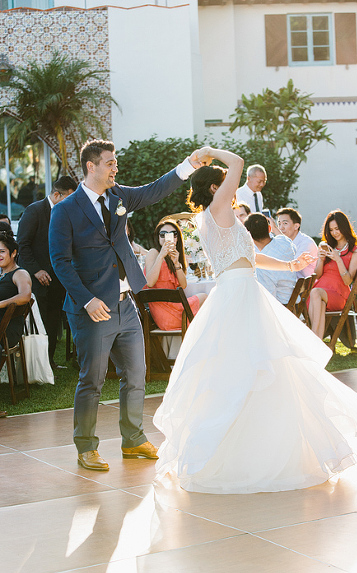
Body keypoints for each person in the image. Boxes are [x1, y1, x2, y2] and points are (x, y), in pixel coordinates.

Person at [154, 147, 357, 494]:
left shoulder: (212, 219)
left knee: (249, 370)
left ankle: (252, 451)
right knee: (252, 369)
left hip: (236, 292)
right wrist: (209, 152)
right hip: (240, 296)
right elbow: (238, 163)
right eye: (225, 184)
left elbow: (250, 256)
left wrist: (287, 265)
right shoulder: (219, 208)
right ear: (215, 189)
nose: (232, 187)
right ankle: (247, 458)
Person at [50, 139, 204, 472]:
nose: (115, 168)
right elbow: (59, 261)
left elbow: (156, 189)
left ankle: (133, 440)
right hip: (93, 309)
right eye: (110, 163)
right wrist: (87, 300)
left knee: (136, 375)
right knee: (92, 380)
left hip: (126, 304)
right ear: (91, 167)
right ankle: (86, 447)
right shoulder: (65, 210)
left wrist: (189, 164)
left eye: (115, 163)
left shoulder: (119, 196)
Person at [17, 174, 76, 363]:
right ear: (57, 195)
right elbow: (22, 245)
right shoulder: (34, 211)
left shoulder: (67, 213)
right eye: (69, 198)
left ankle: (49, 363)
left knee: (53, 322)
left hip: (58, 279)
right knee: (39, 324)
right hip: (37, 280)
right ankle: (37, 365)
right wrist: (37, 270)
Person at [142, 220, 207, 331]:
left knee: (205, 297)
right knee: (205, 297)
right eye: (163, 234)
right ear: (158, 237)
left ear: (177, 238)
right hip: (163, 313)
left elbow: (183, 284)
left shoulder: (175, 255)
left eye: (173, 234)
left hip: (176, 309)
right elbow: (150, 282)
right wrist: (161, 256)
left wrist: (176, 263)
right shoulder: (153, 253)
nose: (168, 237)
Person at [308, 210, 357, 339]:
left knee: (315, 293)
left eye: (337, 229)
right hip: (319, 294)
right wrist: (320, 260)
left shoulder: (355, 252)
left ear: (344, 227)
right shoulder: (326, 247)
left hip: (338, 294)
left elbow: (348, 281)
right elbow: (318, 275)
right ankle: (318, 344)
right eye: (331, 230)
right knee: (318, 300)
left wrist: (338, 259)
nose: (334, 233)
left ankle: (312, 341)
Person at [246, 213, 298, 304]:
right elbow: (291, 245)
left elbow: (268, 297)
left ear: (248, 235)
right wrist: (275, 227)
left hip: (282, 304)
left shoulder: (262, 264)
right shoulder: (284, 242)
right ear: (269, 229)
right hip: (294, 299)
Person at [0, 233, 33, 349]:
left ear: (13, 253)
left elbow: (25, 296)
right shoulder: (2, 274)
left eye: (2, 251)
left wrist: (1, 304)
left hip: (6, 330)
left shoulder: (20, 273)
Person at [276, 207, 319, 278]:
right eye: (279, 224)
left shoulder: (306, 243)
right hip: (287, 281)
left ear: (296, 226)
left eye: (285, 223)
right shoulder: (280, 241)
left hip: (301, 285)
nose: (281, 228)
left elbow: (292, 267)